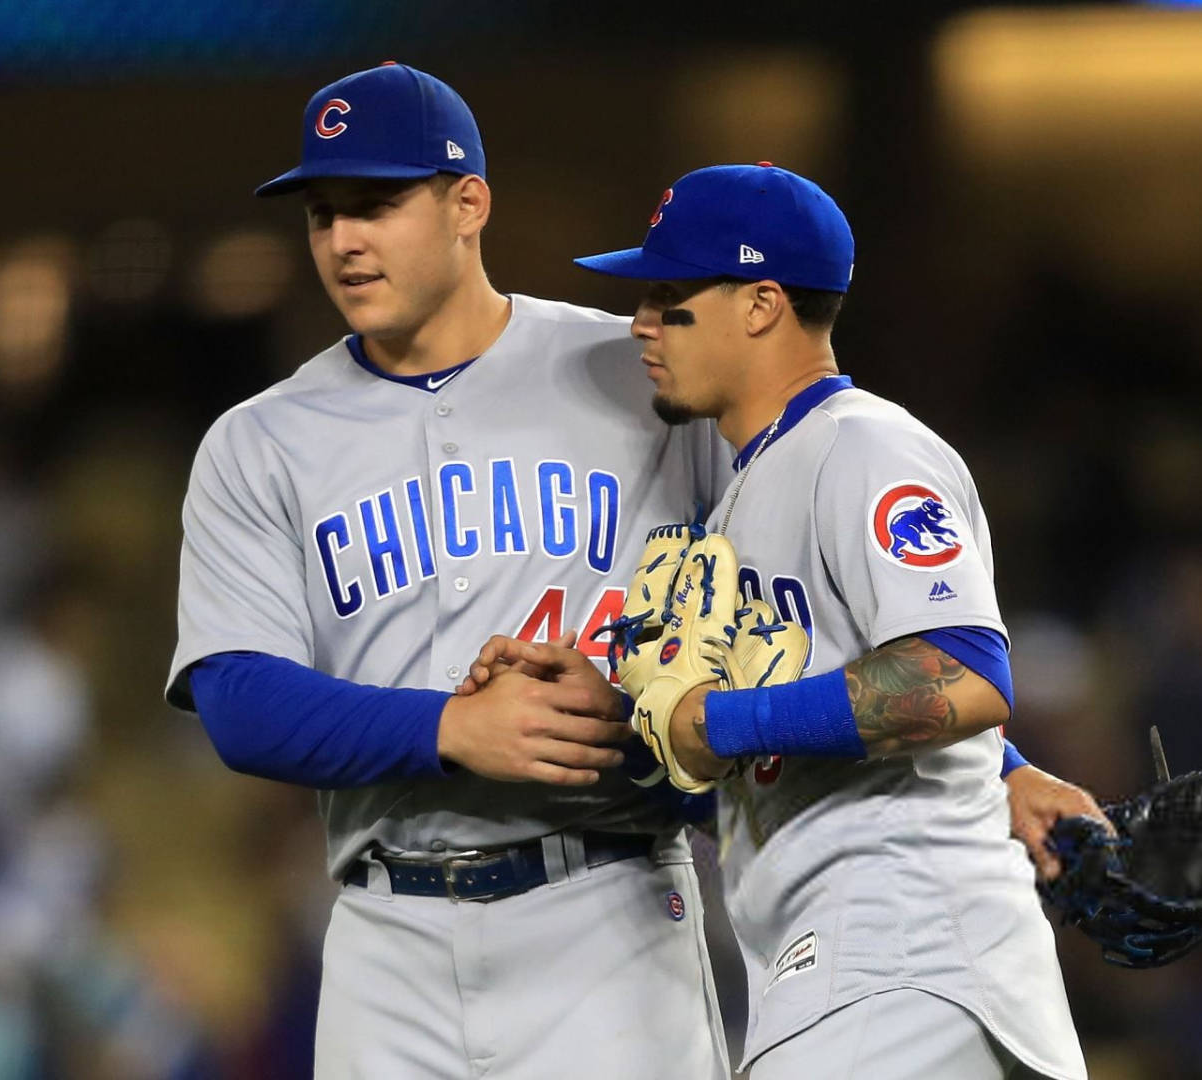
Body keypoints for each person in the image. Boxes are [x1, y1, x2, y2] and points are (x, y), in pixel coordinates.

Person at [169, 65, 1096, 1076]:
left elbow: (818, 599)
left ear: (467, 202)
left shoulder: (634, 371)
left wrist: (989, 774)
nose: (344, 239)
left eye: (377, 205)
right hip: (386, 930)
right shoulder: (257, 443)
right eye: (322, 214)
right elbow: (237, 699)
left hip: (610, 902)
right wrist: (448, 728)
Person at [559, 162, 1088, 1077]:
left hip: (902, 959)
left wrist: (715, 720)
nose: (642, 323)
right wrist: (616, 720)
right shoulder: (745, 491)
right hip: (857, 969)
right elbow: (811, 720)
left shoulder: (864, 446)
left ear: (762, 303)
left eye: (670, 295)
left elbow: (959, 674)